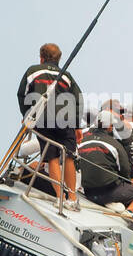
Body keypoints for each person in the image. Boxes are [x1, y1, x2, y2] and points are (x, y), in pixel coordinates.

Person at [17, 42, 83, 206]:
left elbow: (22, 94)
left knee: (52, 157)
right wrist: (77, 125)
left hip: (43, 119)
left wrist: (27, 115)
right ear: (59, 59)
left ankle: (60, 197)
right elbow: (78, 99)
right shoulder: (66, 75)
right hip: (65, 120)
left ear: (41, 57)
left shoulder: (33, 71)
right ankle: (72, 199)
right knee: (69, 157)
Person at [77, 113, 133, 213]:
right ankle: (128, 213)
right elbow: (125, 172)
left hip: (85, 189)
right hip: (106, 192)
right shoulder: (115, 144)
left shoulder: (82, 140)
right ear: (110, 127)